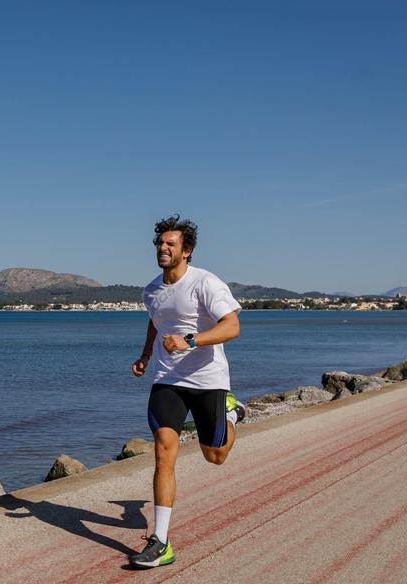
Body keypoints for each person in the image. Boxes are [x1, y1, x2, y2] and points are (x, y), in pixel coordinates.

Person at [128, 215, 245, 569]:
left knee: (215, 456)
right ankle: (161, 541)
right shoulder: (151, 290)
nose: (162, 249)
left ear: (187, 250)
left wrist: (190, 340)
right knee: (164, 452)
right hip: (167, 379)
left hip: (208, 380)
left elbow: (232, 326)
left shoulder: (205, 283)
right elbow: (156, 318)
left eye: (170, 244)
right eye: (159, 244)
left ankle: (231, 412)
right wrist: (147, 354)